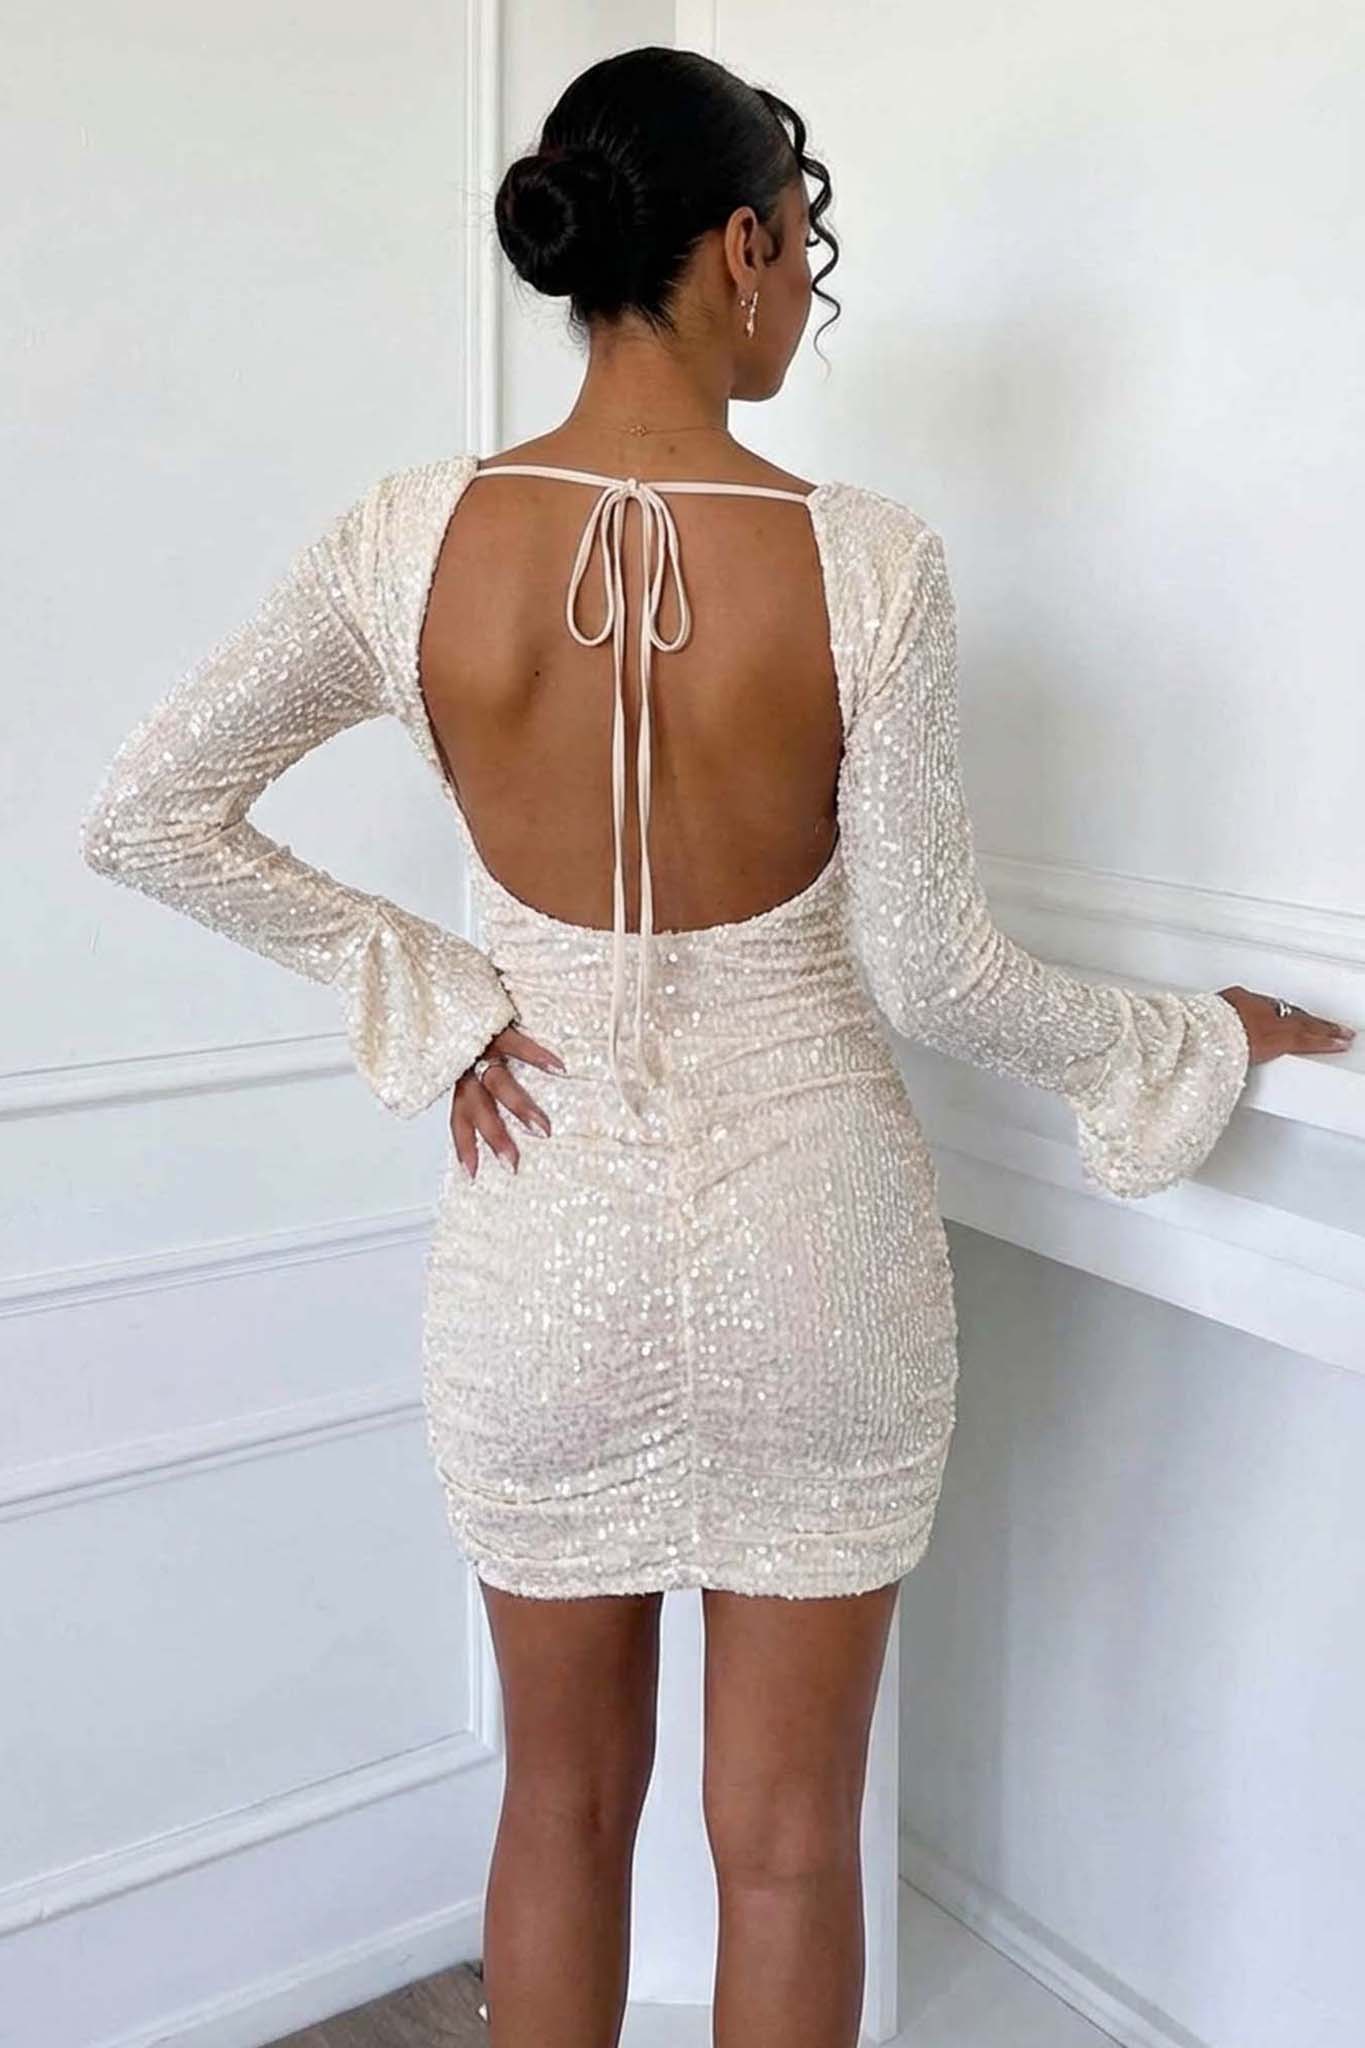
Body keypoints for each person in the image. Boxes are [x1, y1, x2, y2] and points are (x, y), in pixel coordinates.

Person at [79, 42, 1354, 2048]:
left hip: (537, 1243)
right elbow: (934, 977)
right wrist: (1190, 1032)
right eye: (804, 249)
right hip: (818, 1246)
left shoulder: (406, 542)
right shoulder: (866, 560)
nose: (805, 294)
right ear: (740, 244)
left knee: (560, 1812)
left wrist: (435, 991)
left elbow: (146, 814)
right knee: (784, 1850)